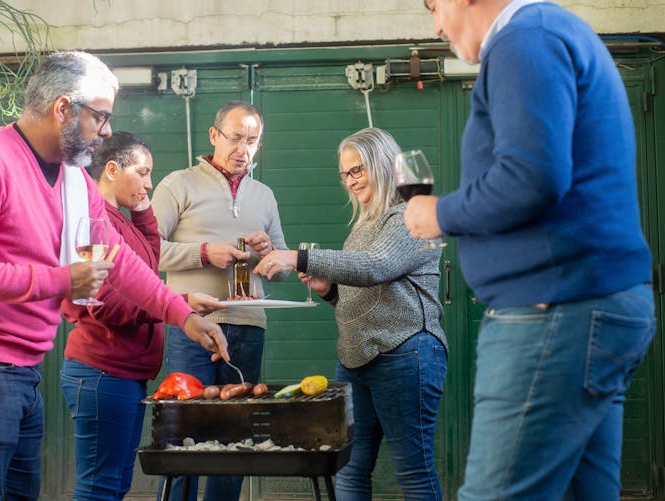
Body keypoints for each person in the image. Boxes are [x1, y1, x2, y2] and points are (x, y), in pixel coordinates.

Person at [0, 51, 229, 501]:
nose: (105, 133)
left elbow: (117, 260)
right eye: (100, 118)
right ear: (63, 108)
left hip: (23, 366)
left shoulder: (75, 179)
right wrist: (63, 281)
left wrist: (182, 315)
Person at [404, 1, 655, 499]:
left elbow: (531, 176)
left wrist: (440, 214)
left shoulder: (524, 39)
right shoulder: (554, 32)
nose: (435, 25)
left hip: (553, 312)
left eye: (434, 6)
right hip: (594, 306)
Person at [254, 127, 448, 500]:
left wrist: (298, 256)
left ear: (382, 164)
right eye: (345, 174)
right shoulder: (362, 228)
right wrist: (331, 292)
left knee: (413, 470)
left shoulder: (409, 214)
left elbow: (378, 265)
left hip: (407, 354)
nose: (350, 181)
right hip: (359, 360)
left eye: (357, 170)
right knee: (350, 469)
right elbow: (366, 295)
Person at [60, 131, 227, 500]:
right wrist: (180, 304)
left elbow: (150, 263)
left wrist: (140, 206)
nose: (150, 183)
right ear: (113, 169)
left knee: (115, 484)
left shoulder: (119, 220)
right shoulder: (93, 222)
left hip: (123, 375)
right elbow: (108, 304)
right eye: (142, 172)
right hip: (101, 373)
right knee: (99, 486)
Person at [150, 100, 289, 501]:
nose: (243, 149)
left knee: (237, 440)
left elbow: (281, 267)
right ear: (214, 136)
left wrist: (268, 255)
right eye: (235, 138)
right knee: (184, 434)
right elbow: (148, 251)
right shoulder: (178, 184)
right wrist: (204, 252)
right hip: (190, 326)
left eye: (252, 141)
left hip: (249, 327)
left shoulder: (264, 195)